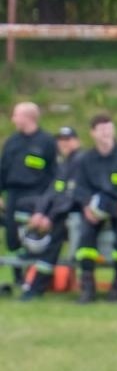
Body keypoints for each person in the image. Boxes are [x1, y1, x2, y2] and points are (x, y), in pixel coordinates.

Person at [72, 114, 117, 303]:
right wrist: (87, 206)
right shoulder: (85, 159)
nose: (106, 133)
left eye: (109, 128)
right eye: (101, 129)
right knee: (86, 240)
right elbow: (79, 188)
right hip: (95, 208)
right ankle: (88, 289)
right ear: (93, 133)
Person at [16, 126, 81, 300]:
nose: (64, 144)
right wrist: (39, 212)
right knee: (21, 204)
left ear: (77, 141)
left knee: (55, 238)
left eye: (68, 140)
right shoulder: (62, 164)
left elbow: (71, 197)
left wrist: (49, 217)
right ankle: (30, 245)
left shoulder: (80, 161)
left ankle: (36, 287)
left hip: (72, 215)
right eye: (61, 140)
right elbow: (51, 193)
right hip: (58, 211)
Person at [3, 101, 56, 294]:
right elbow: (3, 170)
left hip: (36, 197)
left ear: (28, 117)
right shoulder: (12, 142)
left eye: (16, 115)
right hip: (13, 194)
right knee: (11, 239)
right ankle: (17, 277)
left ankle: (31, 279)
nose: (13, 119)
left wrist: (47, 201)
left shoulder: (47, 141)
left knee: (31, 239)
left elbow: (54, 173)